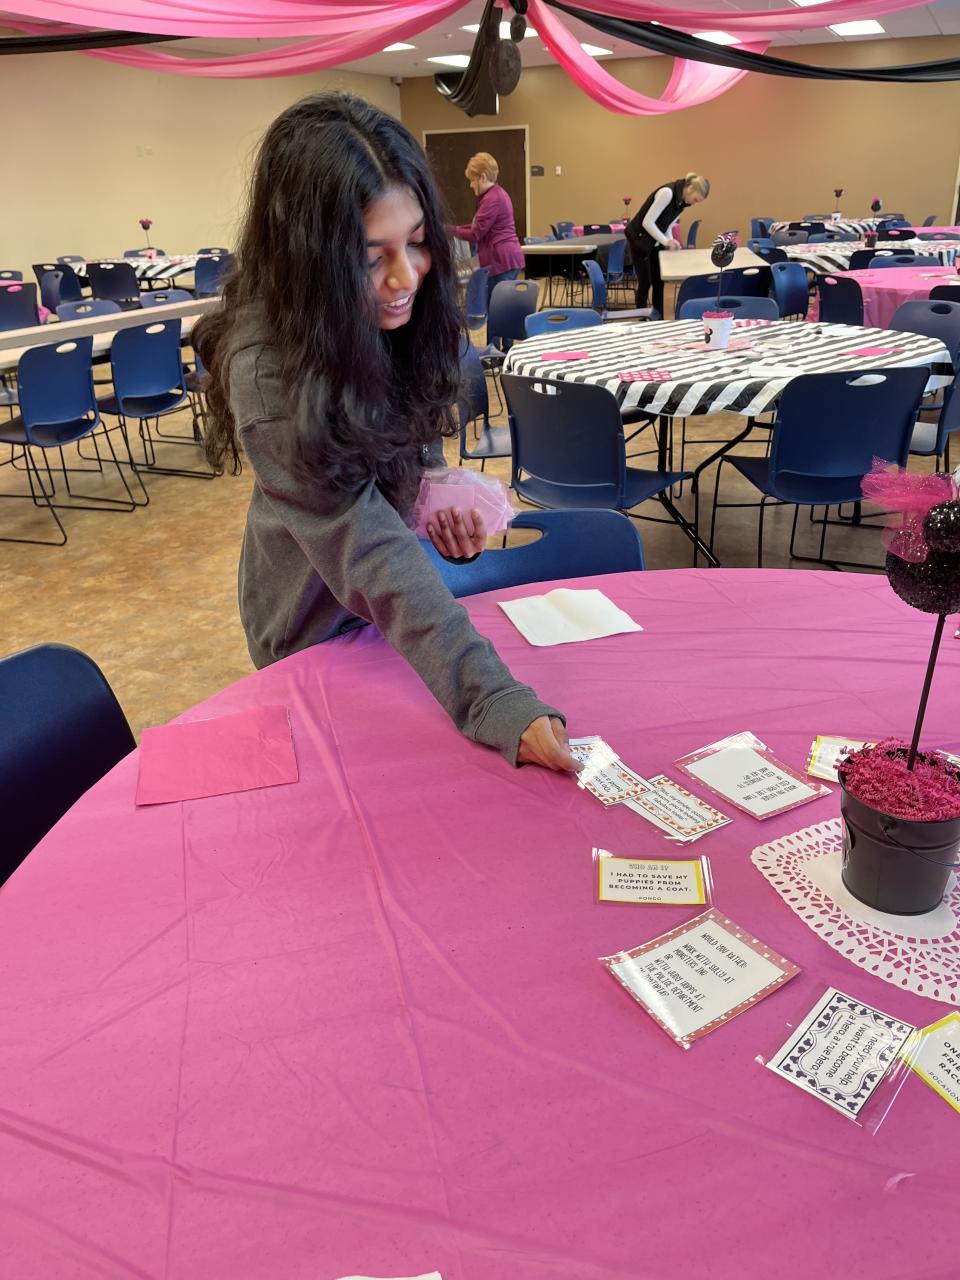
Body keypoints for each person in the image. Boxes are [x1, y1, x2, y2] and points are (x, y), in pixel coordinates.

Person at [193, 93, 575, 774]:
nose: (405, 278)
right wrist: (492, 697)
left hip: (390, 608)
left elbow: (401, 464)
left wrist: (431, 504)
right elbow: (365, 545)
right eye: (372, 258)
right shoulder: (265, 369)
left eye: (418, 242)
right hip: (308, 627)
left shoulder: (392, 315)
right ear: (311, 263)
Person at [624, 174, 710, 316]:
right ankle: (641, 318)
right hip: (638, 238)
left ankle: (659, 318)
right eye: (695, 199)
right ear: (690, 188)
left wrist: (671, 241)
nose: (694, 203)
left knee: (659, 282)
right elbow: (647, 222)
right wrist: (666, 241)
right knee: (645, 283)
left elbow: (668, 225)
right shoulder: (667, 193)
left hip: (654, 240)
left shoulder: (682, 202)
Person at [451, 152, 526, 312]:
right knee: (502, 309)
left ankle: (496, 330)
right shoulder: (496, 195)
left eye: (472, 180)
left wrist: (448, 230)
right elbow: (479, 227)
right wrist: (453, 229)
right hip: (507, 258)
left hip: (501, 260)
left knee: (497, 311)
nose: (471, 185)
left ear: (483, 177)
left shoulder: (492, 199)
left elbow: (475, 234)